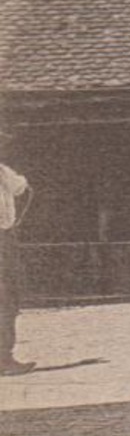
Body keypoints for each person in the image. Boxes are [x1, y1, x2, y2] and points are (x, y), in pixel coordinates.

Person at [0, 132, 36, 377]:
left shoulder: (2, 172)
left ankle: (4, 357)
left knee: (8, 297)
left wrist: (14, 224)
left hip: (4, 237)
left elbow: (26, 190)